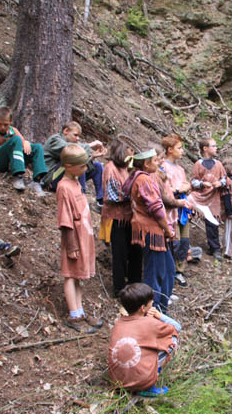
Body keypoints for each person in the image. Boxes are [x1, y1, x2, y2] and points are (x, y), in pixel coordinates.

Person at [56, 144, 104, 333]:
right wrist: (71, 245)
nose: (86, 169)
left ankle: (80, 311)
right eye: (82, 166)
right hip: (74, 239)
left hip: (84, 237)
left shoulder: (76, 182)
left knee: (78, 277)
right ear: (69, 166)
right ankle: (74, 315)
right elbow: (65, 220)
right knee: (70, 275)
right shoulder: (63, 187)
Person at [122, 149, 176, 313]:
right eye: (155, 160)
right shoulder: (144, 180)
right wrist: (167, 229)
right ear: (146, 163)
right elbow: (156, 209)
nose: (158, 163)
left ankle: (161, 306)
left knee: (168, 269)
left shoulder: (139, 177)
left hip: (152, 230)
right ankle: (153, 309)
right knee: (155, 272)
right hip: (152, 232)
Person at [107, 282, 181, 397]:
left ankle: (131, 381)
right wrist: (159, 315)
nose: (153, 303)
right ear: (143, 308)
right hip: (141, 381)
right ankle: (148, 386)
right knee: (172, 340)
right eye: (151, 302)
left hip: (117, 380)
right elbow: (177, 327)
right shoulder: (150, 323)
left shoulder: (119, 323)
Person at [99, 139, 142, 296]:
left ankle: (135, 285)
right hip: (116, 218)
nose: (132, 153)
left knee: (136, 251)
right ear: (121, 150)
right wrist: (136, 195)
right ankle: (120, 289)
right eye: (129, 149)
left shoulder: (126, 168)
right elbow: (113, 195)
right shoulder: (110, 168)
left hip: (130, 217)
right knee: (120, 254)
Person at [0, 106, 48, 195]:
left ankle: (37, 181)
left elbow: (23, 143)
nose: (2, 127)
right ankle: (18, 175)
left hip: (10, 161)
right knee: (16, 140)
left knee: (37, 147)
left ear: (10, 122)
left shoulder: (13, 131)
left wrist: (26, 142)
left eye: (6, 124)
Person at [43, 121, 106, 212]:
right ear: (65, 131)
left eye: (78, 136)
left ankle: (101, 202)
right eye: (75, 135)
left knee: (98, 167)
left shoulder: (72, 145)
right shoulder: (55, 140)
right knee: (77, 161)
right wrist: (90, 145)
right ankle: (81, 196)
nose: (77, 138)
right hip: (51, 178)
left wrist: (92, 157)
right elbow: (69, 151)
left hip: (66, 175)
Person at [161, 135, 193, 286]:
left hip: (183, 210)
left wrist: (185, 188)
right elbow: (165, 190)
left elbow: (186, 184)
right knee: (175, 241)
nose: (182, 151)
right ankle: (170, 270)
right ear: (170, 149)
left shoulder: (180, 169)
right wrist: (178, 189)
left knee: (185, 241)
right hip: (170, 210)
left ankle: (180, 270)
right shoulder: (163, 167)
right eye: (179, 148)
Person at [191, 137, 227, 260]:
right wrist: (202, 184)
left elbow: (224, 178)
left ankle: (215, 248)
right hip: (201, 196)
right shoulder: (198, 164)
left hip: (214, 197)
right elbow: (194, 180)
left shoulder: (218, 164)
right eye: (213, 146)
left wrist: (220, 183)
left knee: (213, 222)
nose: (216, 148)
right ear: (205, 148)